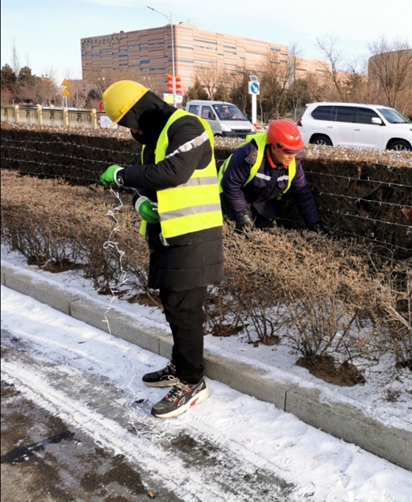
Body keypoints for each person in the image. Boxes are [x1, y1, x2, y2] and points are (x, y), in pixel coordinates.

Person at [99, 80, 224, 419]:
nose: (133, 131)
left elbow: (173, 172)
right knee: (173, 305)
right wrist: (141, 201)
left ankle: (192, 382)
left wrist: (122, 176)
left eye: (131, 122)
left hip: (194, 237)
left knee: (185, 310)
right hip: (170, 235)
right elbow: (150, 182)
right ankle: (181, 366)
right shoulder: (155, 137)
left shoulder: (188, 126)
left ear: (142, 109)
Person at [218, 119, 326, 234]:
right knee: (235, 231)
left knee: (265, 231)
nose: (292, 156)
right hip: (231, 198)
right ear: (273, 148)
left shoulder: (293, 162)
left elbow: (303, 194)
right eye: (288, 152)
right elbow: (230, 184)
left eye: (295, 151)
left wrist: (315, 224)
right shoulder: (249, 154)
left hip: (261, 202)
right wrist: (242, 215)